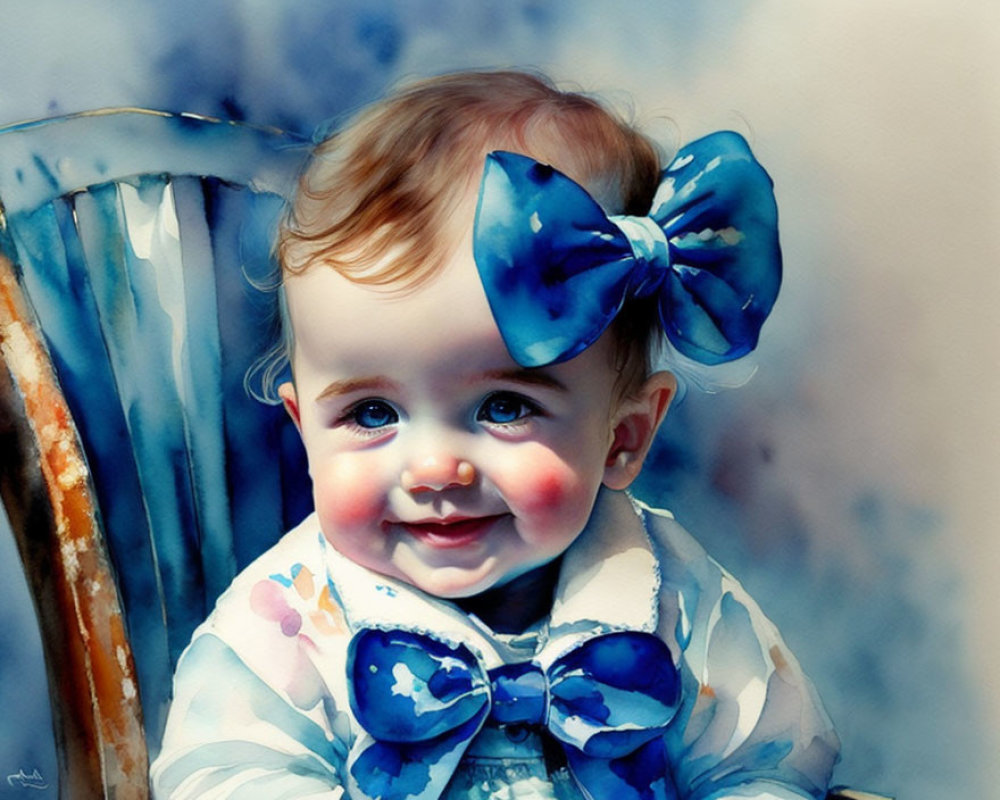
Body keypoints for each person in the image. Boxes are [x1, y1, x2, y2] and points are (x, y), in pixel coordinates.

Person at [151, 70, 840, 800]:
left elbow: (769, 764)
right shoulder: (287, 624)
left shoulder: (674, 599)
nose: (435, 468)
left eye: (504, 407)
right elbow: (219, 778)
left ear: (624, 437)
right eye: (371, 415)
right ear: (304, 430)